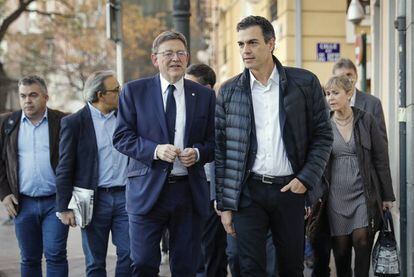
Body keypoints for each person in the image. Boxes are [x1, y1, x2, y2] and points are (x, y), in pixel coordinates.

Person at [215, 16, 333, 277]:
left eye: (253, 42)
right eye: (241, 44)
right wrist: (224, 205)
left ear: (271, 44)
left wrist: (306, 179)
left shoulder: (304, 83)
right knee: (249, 267)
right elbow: (222, 152)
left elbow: (324, 135)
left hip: (289, 189)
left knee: (291, 266)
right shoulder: (229, 91)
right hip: (248, 192)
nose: (245, 50)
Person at [113, 31, 215, 276]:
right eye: (168, 53)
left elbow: (214, 141)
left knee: (186, 266)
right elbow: (121, 138)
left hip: (188, 192)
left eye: (180, 53)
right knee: (143, 262)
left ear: (188, 58)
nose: (175, 58)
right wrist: (155, 150)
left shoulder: (204, 95)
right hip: (147, 192)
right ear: (154, 59)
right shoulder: (133, 91)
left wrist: (198, 154)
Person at [311, 58, 389, 277]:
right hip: (335, 194)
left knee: (363, 240)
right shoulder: (323, 124)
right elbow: (315, 160)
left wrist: (386, 195)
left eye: (335, 93)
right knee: (342, 250)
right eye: (328, 94)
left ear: (348, 93)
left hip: (362, 191)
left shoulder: (366, 119)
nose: (330, 98)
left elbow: (381, 157)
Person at [55, 70, 132, 276]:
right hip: (92, 200)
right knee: (95, 262)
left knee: (130, 254)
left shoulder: (125, 117)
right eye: (116, 90)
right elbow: (64, 167)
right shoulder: (74, 123)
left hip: (126, 197)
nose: (120, 93)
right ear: (100, 95)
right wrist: (64, 208)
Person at [0, 75, 69, 277]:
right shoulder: (7, 124)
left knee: (56, 255)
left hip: (55, 202)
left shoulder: (63, 121)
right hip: (23, 203)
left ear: (46, 97)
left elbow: (74, 160)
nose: (27, 101)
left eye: (33, 95)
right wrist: (4, 193)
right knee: (29, 258)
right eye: (23, 96)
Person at [185, 63, 228, 277]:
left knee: (213, 251)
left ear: (208, 89)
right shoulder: (187, 111)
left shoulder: (222, 111)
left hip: (216, 190)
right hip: (195, 188)